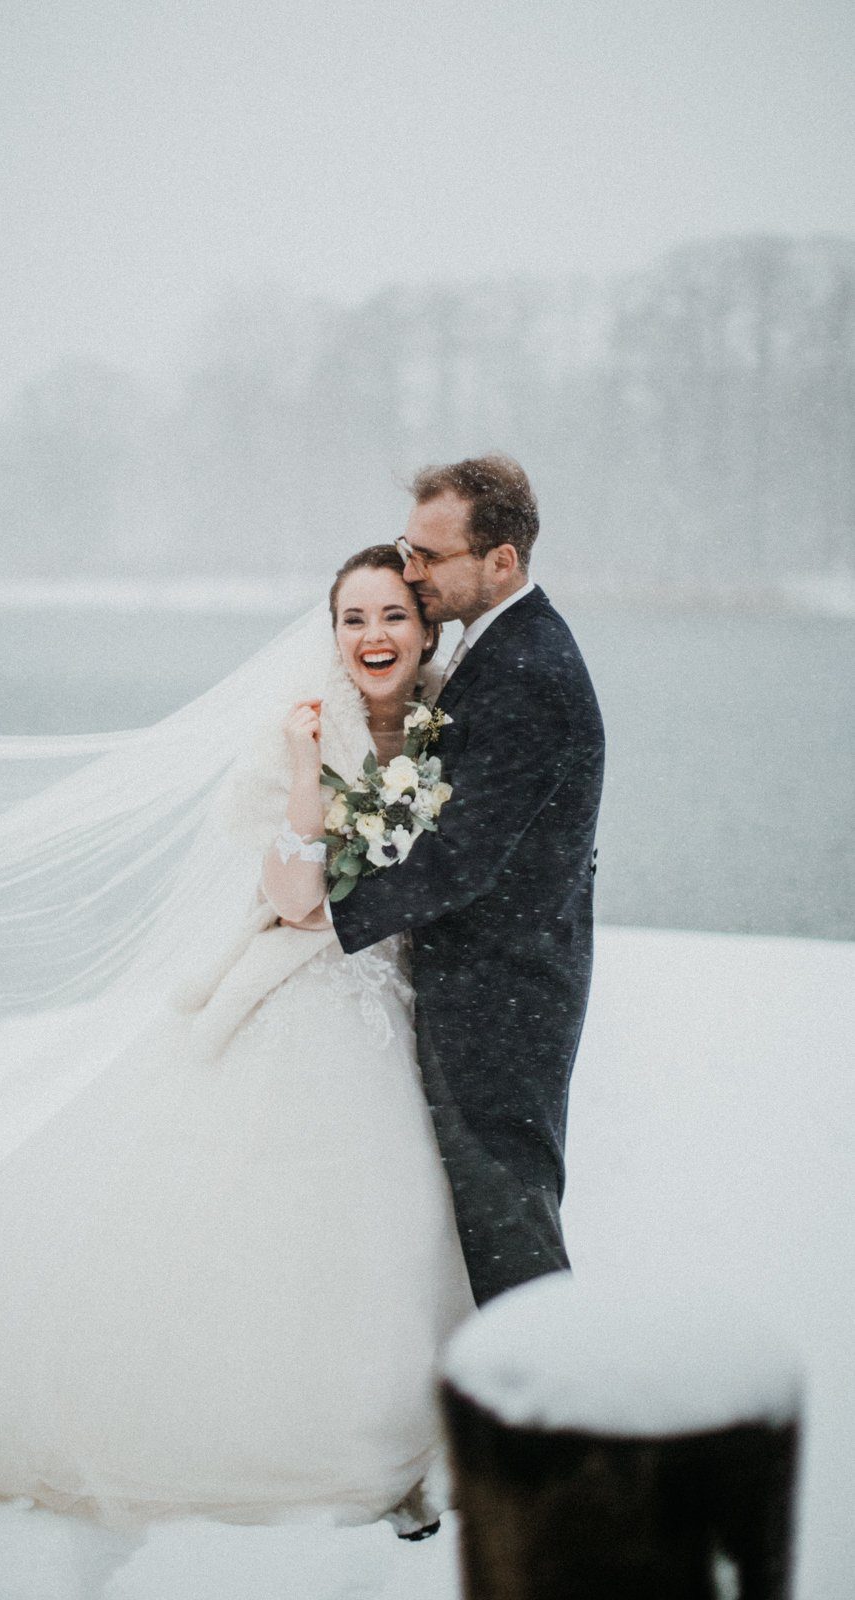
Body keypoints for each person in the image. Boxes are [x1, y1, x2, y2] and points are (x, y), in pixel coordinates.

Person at [0, 549, 473, 1535]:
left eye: (392, 617)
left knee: (396, 1221)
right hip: (305, 1002)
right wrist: (298, 770)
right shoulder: (301, 732)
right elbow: (290, 898)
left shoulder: (445, 728)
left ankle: (394, 1416)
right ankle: (265, 1436)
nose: (372, 635)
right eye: (352, 617)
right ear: (330, 633)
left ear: (423, 630)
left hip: (398, 1007)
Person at [330, 456, 605, 1308]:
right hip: (492, 984)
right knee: (492, 1223)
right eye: (407, 551)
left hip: (501, 999)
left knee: (510, 1229)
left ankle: (552, 1419)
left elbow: (462, 859)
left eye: (427, 558)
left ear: (501, 563)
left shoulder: (527, 671)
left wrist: (323, 917)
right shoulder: (497, 653)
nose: (410, 573)